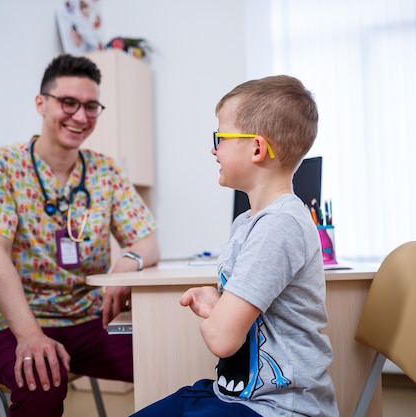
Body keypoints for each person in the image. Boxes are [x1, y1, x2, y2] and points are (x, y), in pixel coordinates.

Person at [0, 54, 160, 417]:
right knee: (41, 382)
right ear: (41, 103)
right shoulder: (1, 165)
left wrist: (128, 264)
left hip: (89, 319)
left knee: (164, 357)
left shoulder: (105, 171)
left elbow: (147, 241)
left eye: (91, 106)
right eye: (69, 103)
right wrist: (30, 335)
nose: (81, 117)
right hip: (17, 323)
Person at [131, 75, 338, 417]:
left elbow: (222, 339)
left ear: (257, 148)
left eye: (221, 137)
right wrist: (221, 305)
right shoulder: (247, 223)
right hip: (236, 395)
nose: (214, 149)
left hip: (280, 409)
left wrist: (217, 317)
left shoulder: (279, 226)